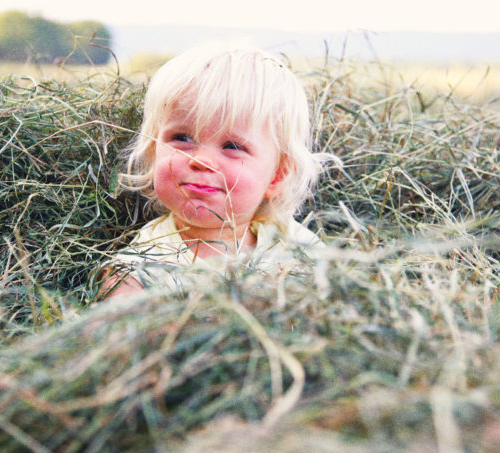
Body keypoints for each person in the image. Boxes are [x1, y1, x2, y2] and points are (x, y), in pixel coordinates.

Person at [100, 42, 333, 299]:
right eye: (182, 138)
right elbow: (113, 330)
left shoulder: (294, 244)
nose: (202, 160)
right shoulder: (142, 269)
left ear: (277, 175)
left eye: (232, 146)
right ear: (155, 151)